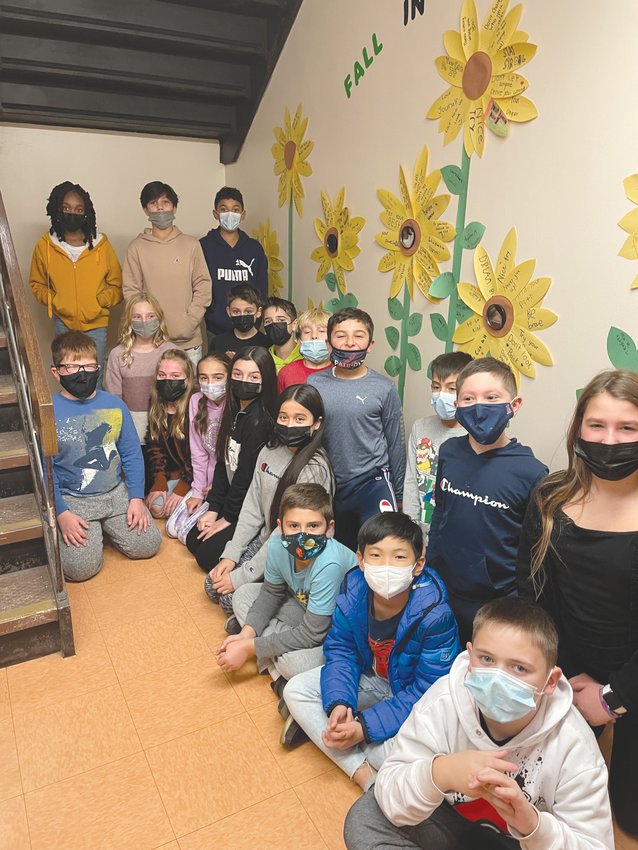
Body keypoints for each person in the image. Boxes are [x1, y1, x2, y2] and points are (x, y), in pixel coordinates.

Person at [344, 597, 613, 850]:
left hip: (522, 840)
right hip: (451, 821)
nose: (497, 678)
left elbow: (593, 843)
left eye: (519, 668)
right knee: (366, 818)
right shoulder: (444, 700)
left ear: (550, 681)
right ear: (470, 655)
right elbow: (391, 792)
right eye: (486, 659)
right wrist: (441, 772)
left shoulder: (575, 745)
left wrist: (534, 825)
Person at [517, 369, 638, 837]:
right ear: (578, 429)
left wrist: (613, 698)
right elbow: (531, 591)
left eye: (627, 428)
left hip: (630, 678)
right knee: (542, 792)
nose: (610, 441)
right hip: (566, 665)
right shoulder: (551, 497)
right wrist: (560, 674)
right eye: (597, 426)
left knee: (627, 817)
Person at [283, 512, 460, 769]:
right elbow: (342, 651)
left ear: (418, 564)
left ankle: (340, 734)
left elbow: (428, 691)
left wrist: (364, 728)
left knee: (394, 757)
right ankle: (360, 770)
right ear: (361, 560)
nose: (386, 566)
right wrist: (340, 702)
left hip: (408, 693)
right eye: (376, 555)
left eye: (399, 557)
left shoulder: (435, 616)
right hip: (372, 679)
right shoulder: (353, 589)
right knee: (296, 689)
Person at [217, 483, 358, 729]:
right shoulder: (276, 547)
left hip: (334, 631)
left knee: (295, 665)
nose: (303, 535)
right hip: (304, 609)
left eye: (313, 526)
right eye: (294, 526)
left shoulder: (330, 564)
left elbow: (313, 633)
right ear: (280, 527)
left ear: (329, 529)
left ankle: (278, 672)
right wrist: (246, 633)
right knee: (244, 595)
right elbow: (271, 593)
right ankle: (277, 673)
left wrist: (250, 648)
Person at [427, 357, 547, 643]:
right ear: (457, 406)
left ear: (514, 406)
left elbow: (532, 552)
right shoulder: (449, 452)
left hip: (496, 602)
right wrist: (431, 567)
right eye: (468, 398)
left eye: (491, 397)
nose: (479, 407)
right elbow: (440, 512)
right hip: (444, 588)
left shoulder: (531, 472)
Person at [206, 383, 335, 621]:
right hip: (267, 540)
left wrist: (242, 576)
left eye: (299, 419)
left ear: (316, 423)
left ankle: (273, 616)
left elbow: (289, 533)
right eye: (283, 417)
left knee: (229, 597)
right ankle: (257, 611)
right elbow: (253, 505)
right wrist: (231, 554)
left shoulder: (315, 468)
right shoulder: (268, 452)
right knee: (212, 584)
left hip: (295, 550)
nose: (289, 425)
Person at [49, 331, 161, 581]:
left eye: (89, 366)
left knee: (149, 544)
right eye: (72, 366)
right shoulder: (48, 413)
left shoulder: (115, 405)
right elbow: (46, 469)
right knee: (80, 570)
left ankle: (106, 527)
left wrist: (135, 498)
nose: (82, 373)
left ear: (98, 367)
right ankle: (95, 531)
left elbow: (131, 453)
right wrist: (61, 513)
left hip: (114, 493)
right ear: (56, 372)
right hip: (74, 500)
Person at [308, 307, 406, 551]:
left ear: (370, 344)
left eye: (358, 336)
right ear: (329, 344)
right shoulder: (314, 384)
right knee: (337, 553)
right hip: (329, 483)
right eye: (341, 335)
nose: (350, 343)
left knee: (380, 547)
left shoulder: (384, 388)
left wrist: (401, 493)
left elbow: (395, 441)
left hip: (372, 482)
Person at [185, 346, 277, 568]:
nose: (244, 382)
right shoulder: (233, 410)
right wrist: (214, 508)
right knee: (192, 540)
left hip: (252, 506)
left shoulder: (259, 420)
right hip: (233, 500)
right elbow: (222, 461)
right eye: (238, 375)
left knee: (206, 558)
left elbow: (245, 478)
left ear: (266, 380)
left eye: (254, 377)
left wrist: (226, 518)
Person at [30, 181, 122, 381]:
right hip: (63, 322)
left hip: (96, 324)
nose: (73, 213)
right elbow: (36, 283)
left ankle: (96, 413)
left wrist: (100, 301)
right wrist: (55, 300)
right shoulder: (45, 246)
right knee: (70, 377)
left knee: (94, 377)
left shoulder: (101, 246)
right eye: (66, 208)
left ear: (86, 212)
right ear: (57, 209)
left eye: (79, 209)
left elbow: (117, 284)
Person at [122, 180, 211, 365]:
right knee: (153, 393)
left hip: (189, 342)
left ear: (174, 207)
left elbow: (203, 285)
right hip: (151, 342)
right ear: (146, 210)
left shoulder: (191, 244)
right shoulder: (136, 248)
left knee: (191, 393)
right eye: (154, 203)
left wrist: (191, 320)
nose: (160, 208)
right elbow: (131, 292)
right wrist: (146, 325)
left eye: (165, 202)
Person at [403, 352, 472, 543]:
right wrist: (412, 530)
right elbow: (411, 482)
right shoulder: (420, 427)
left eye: (451, 388)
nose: (442, 395)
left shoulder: (475, 436)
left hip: (457, 535)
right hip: (422, 530)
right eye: (436, 387)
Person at [164, 352, 231, 543]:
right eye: (204, 378)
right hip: (204, 482)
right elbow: (199, 453)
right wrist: (197, 491)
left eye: (218, 377)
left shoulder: (234, 404)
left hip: (226, 484)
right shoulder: (196, 401)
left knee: (188, 537)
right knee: (172, 529)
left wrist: (217, 488)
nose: (210, 383)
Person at [200, 186, 268, 346]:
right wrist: (212, 314)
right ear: (215, 214)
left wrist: (255, 321)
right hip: (215, 330)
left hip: (250, 328)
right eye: (224, 209)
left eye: (235, 209)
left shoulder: (254, 248)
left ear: (242, 214)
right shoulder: (203, 246)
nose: (230, 214)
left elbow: (262, 288)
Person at [104, 294, 174, 442]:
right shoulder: (117, 355)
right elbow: (114, 399)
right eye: (137, 317)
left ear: (159, 318)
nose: (144, 322)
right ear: (128, 321)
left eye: (150, 316)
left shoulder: (172, 352)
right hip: (131, 433)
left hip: (166, 434)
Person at [145, 349, 195, 519]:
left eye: (175, 376)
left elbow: (199, 457)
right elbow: (154, 447)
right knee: (157, 508)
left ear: (187, 380)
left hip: (196, 477)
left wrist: (182, 488)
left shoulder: (195, 405)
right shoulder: (156, 403)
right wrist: (159, 482)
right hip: (173, 473)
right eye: (162, 375)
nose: (168, 381)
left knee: (170, 510)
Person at [278, 306, 332, 393]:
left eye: (322, 331)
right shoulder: (286, 373)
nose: (314, 336)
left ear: (333, 338)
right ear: (299, 341)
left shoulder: (341, 372)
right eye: (307, 332)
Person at [208, 283, 269, 357]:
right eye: (236, 312)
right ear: (229, 312)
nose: (242, 316)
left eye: (248, 311)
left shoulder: (267, 344)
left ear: (258, 312)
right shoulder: (218, 342)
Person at [262, 296, 302, 373]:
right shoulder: (264, 359)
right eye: (268, 321)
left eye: (281, 320)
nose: (274, 325)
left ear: (294, 324)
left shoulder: (305, 356)